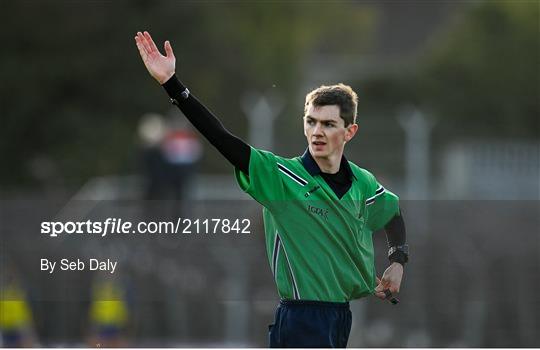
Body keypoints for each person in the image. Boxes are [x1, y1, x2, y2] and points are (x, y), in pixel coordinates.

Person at [134, 31, 408, 348]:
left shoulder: (363, 183)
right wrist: (173, 86)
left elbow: (392, 213)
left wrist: (397, 260)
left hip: (340, 317)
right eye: (311, 121)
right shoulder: (282, 178)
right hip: (302, 318)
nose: (317, 131)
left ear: (350, 131)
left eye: (328, 124)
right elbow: (222, 139)